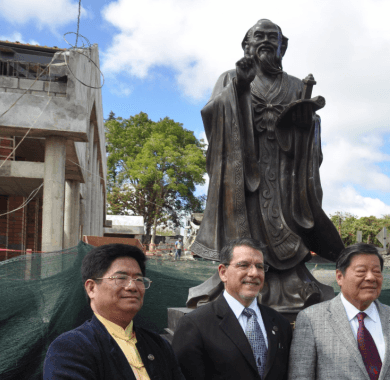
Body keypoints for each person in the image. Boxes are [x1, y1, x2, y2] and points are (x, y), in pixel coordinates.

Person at [188, 18, 343, 310]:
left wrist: (304, 123)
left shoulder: (297, 85)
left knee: (290, 221)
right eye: (259, 36)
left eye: (274, 37)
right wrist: (241, 86)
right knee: (245, 229)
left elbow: (311, 127)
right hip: (244, 173)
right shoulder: (229, 78)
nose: (266, 41)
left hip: (287, 172)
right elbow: (213, 115)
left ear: (283, 46)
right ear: (246, 45)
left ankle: (293, 282)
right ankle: (240, 284)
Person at [43, 244, 184, 380]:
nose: (132, 286)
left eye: (139, 279)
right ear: (91, 288)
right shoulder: (71, 348)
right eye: (121, 278)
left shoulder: (159, 345)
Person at [288, 243, 390, 379]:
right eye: (361, 271)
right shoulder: (312, 319)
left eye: (376, 271)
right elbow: (301, 376)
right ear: (339, 277)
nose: (371, 277)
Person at [172, 237, 292, 380]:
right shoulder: (195, 325)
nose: (254, 273)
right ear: (223, 272)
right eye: (244, 265)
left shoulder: (280, 324)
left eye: (260, 266)